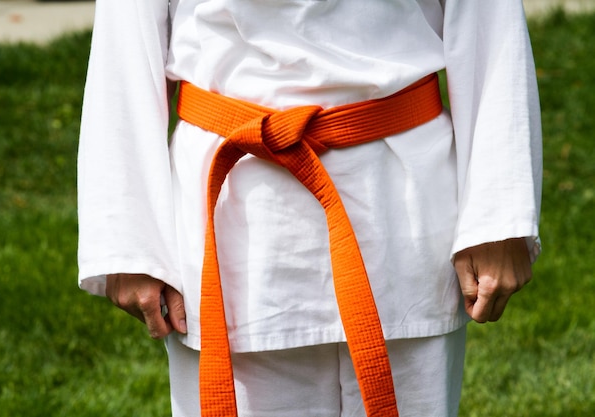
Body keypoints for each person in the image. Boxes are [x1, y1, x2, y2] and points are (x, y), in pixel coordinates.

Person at [77, 0, 542, 416]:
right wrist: (129, 242)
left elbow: (489, 19)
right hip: (235, 219)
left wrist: (499, 215)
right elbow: (125, 37)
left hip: (400, 209)